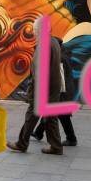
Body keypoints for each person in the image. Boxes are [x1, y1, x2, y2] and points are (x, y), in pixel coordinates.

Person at [7, 18, 63, 155]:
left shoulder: (44, 45)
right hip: (53, 87)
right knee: (50, 117)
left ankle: (22, 144)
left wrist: (33, 94)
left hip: (43, 89)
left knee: (31, 116)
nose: (33, 32)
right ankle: (56, 146)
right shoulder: (54, 41)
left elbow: (39, 73)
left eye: (35, 30)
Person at [31, 40, 78, 146]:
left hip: (62, 91)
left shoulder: (59, 58)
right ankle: (39, 133)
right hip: (65, 90)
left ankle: (71, 139)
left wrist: (57, 92)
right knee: (59, 114)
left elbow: (60, 78)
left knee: (58, 114)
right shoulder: (63, 55)